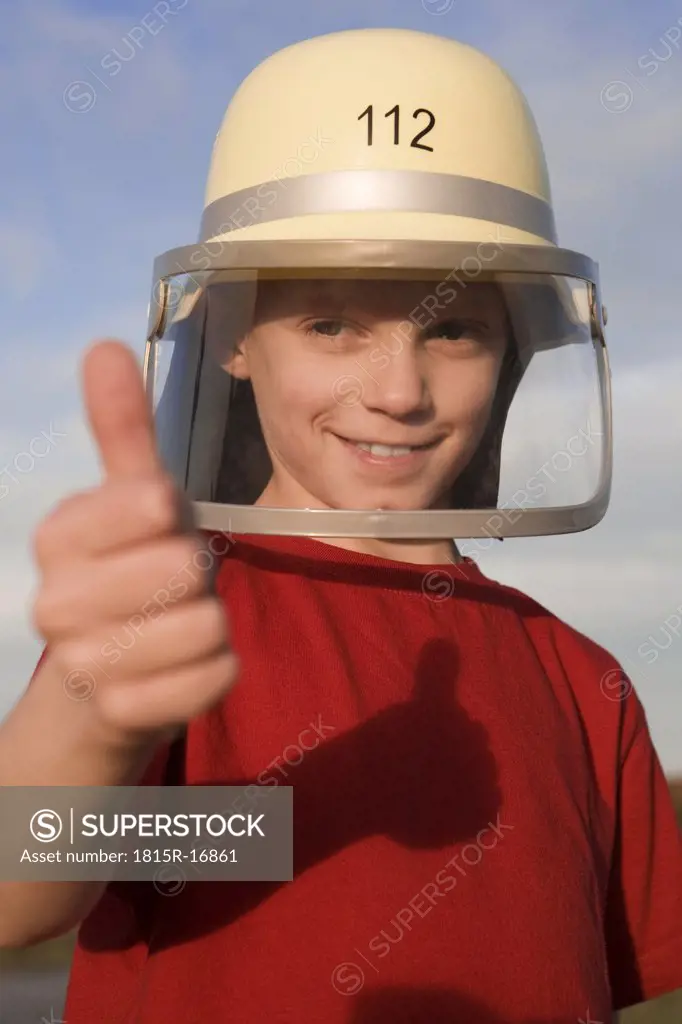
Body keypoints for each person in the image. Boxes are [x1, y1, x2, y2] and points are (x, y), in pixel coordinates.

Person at [1, 26, 681, 1024]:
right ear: (231, 340)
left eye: (453, 327)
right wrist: (92, 723)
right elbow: (23, 894)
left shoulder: (584, 679)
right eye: (331, 324)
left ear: (513, 351)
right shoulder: (172, 620)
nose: (398, 391)